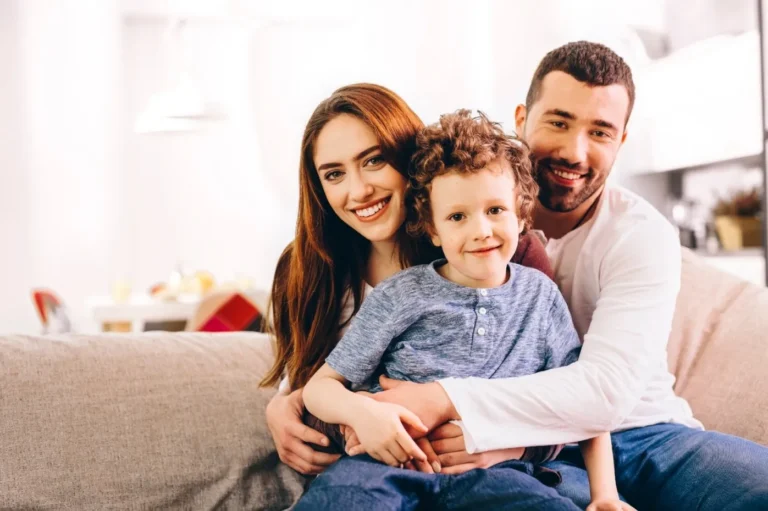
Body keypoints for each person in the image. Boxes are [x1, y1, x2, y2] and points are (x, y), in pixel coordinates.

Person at [353, 41, 768, 510]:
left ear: (622, 142)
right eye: (558, 122)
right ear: (521, 118)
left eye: (601, 132)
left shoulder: (640, 235)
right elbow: (360, 334)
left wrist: (448, 399)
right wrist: (295, 398)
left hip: (645, 432)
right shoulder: (465, 220)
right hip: (538, 455)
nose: (575, 151)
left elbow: (606, 392)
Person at [295, 110, 630, 511]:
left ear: (522, 212)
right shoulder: (400, 294)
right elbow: (320, 387)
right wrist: (364, 415)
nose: (481, 231)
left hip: (497, 476)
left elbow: (582, 404)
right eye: (457, 217)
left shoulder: (540, 297)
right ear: (433, 229)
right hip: (383, 467)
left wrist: (605, 495)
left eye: (495, 210)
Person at [260, 83, 570, 507]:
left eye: (373, 161)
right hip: (375, 471)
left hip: (490, 471)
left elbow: (564, 389)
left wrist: (511, 444)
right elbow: (311, 382)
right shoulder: (306, 269)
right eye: (334, 174)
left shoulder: (498, 253)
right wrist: (282, 406)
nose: (359, 190)